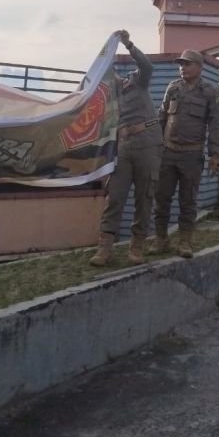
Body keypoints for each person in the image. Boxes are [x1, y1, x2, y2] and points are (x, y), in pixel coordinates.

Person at [89, 30, 163, 267]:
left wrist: (129, 45)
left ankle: (137, 246)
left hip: (147, 143)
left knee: (144, 196)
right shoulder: (107, 95)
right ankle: (105, 249)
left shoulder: (137, 80)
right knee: (116, 197)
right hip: (123, 148)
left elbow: (147, 66)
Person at [151, 49, 219, 258]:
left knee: (187, 201)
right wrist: (156, 148)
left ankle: (185, 241)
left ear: (199, 67)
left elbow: (215, 124)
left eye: (187, 64)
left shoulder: (210, 92)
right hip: (168, 153)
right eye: (181, 64)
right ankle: (160, 239)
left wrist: (215, 155)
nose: (183, 67)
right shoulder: (173, 89)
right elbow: (161, 118)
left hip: (192, 156)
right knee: (162, 197)